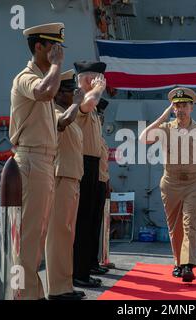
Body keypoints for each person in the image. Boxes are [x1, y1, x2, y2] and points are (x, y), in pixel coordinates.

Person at [9, 22, 65, 300]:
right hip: (31, 161)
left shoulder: (46, 78)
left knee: (36, 237)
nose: (59, 51)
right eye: (53, 46)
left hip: (44, 162)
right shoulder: (26, 77)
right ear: (39, 46)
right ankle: (25, 296)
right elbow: (44, 92)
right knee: (29, 239)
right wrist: (55, 66)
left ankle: (32, 293)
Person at [139, 87, 196, 282]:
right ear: (173, 108)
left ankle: (188, 265)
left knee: (190, 223)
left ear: (192, 108)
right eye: (177, 106)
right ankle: (178, 262)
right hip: (171, 183)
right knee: (175, 227)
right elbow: (143, 139)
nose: (180, 109)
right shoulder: (165, 129)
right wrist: (162, 117)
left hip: (195, 183)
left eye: (184, 105)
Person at [45, 70, 86, 300]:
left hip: (72, 178)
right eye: (71, 92)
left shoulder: (67, 111)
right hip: (60, 179)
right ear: (59, 94)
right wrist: (78, 104)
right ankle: (57, 289)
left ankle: (65, 285)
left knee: (66, 235)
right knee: (58, 235)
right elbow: (62, 123)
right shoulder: (53, 111)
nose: (74, 96)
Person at [72, 61, 107, 288]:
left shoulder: (92, 104)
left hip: (93, 166)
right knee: (82, 222)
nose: (100, 81)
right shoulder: (80, 98)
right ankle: (78, 273)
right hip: (81, 164)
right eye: (96, 77)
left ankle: (85, 269)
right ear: (86, 78)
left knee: (90, 220)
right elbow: (87, 104)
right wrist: (96, 89)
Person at [90, 100, 110, 276]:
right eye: (98, 115)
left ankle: (93, 261)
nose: (101, 119)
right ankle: (87, 263)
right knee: (88, 225)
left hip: (101, 182)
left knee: (96, 225)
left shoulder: (100, 139)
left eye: (101, 116)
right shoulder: (91, 139)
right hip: (92, 182)